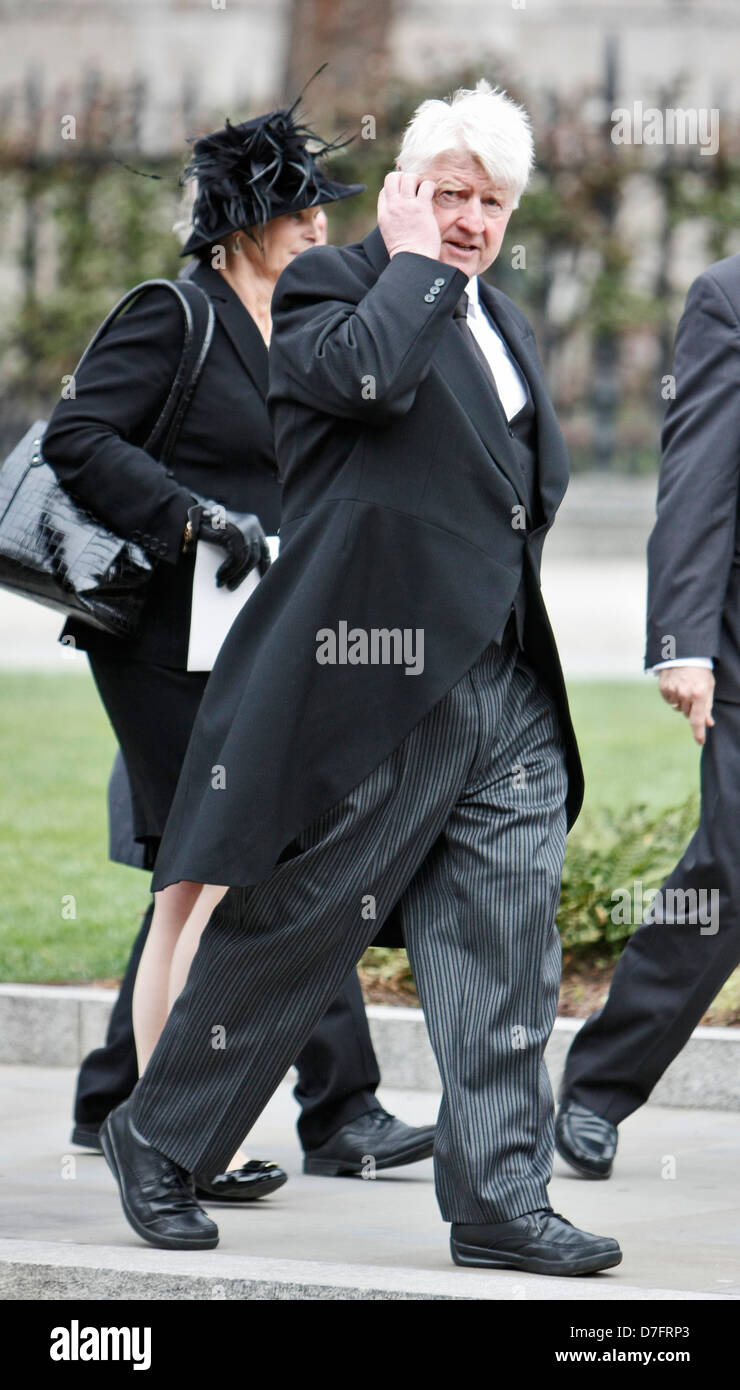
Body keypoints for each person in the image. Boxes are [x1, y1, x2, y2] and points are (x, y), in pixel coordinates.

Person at [99, 79, 622, 1276]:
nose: (469, 220)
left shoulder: (507, 324)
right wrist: (410, 262)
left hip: (504, 679)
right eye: (448, 192)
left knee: (503, 949)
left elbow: (518, 494)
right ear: (401, 193)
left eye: (490, 202)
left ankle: (498, 1197)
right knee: (297, 926)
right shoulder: (334, 289)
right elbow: (372, 381)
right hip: (376, 678)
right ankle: (158, 1135)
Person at [44, 101, 433, 1199]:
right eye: (293, 208)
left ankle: (134, 1109)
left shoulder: (304, 314)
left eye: (319, 206)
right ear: (237, 221)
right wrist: (185, 516)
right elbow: (78, 433)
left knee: (216, 873)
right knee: (222, 871)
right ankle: (189, 1133)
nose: (315, 224)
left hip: (261, 636)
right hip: (164, 641)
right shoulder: (177, 315)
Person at [556, 253, 740, 1179]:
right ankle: (600, 1083)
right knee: (733, 870)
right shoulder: (730, 294)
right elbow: (701, 469)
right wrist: (685, 641)